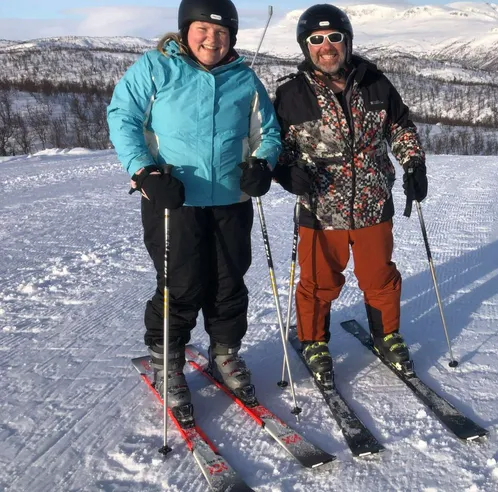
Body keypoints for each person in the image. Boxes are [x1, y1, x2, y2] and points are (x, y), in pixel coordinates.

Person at [107, 0, 281, 420]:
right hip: (174, 199)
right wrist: (144, 172)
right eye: (203, 28)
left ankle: (224, 352)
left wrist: (263, 164)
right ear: (186, 29)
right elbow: (122, 117)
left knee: (228, 280)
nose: (212, 39)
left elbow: (268, 132)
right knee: (181, 283)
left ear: (232, 38)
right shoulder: (156, 67)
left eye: (221, 32)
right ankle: (167, 360)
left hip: (230, 200)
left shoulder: (244, 77)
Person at [272, 4, 428, 382]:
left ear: (348, 41)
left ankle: (386, 335)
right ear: (306, 46)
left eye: (335, 37)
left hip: (373, 204)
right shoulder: (291, 95)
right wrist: (284, 172)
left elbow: (400, 127)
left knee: (380, 277)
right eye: (317, 39)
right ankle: (313, 341)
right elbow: (274, 147)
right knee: (318, 282)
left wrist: (414, 163)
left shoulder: (375, 83)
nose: (327, 46)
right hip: (320, 208)